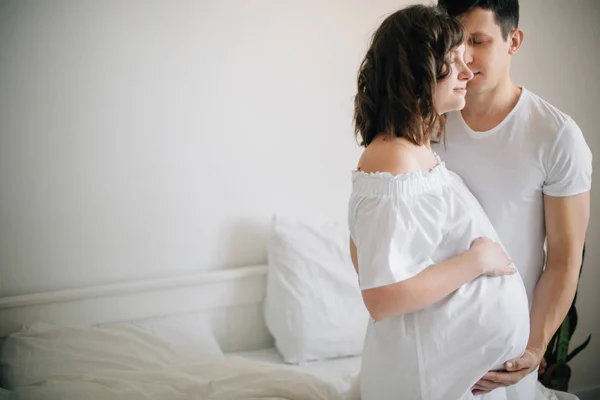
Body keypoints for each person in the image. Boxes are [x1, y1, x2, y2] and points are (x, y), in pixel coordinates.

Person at [348, 4, 531, 400]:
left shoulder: (412, 152)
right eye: (453, 62)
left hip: (445, 375)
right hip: (424, 380)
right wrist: (477, 262)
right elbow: (380, 297)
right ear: (418, 72)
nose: (467, 72)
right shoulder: (392, 159)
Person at [434, 0, 592, 398]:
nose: (464, 57)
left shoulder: (555, 135)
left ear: (514, 40)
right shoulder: (428, 119)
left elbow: (563, 259)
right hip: (434, 333)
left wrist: (534, 347)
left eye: (479, 41)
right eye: (455, 42)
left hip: (504, 343)